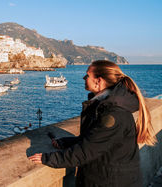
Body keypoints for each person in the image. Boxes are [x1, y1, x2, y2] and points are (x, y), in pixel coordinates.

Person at [28, 60, 156, 187]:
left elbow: (86, 151)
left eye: (87, 75)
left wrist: (47, 158)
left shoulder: (113, 115)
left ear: (98, 81)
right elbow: (94, 140)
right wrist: (65, 143)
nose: (84, 78)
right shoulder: (104, 106)